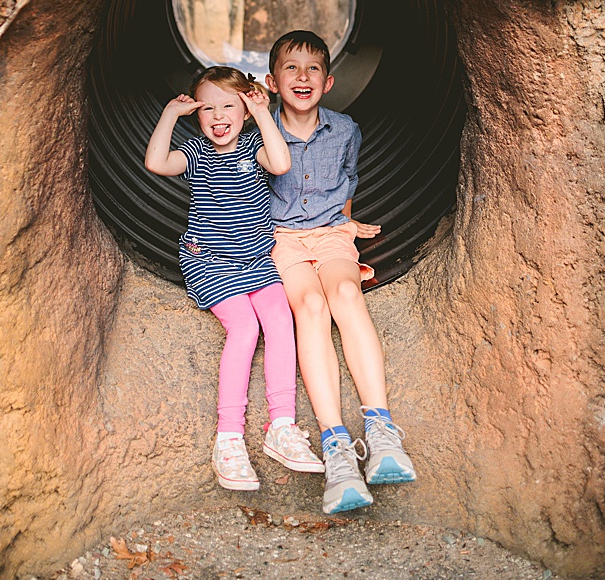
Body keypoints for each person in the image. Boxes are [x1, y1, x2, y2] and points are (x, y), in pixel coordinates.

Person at [145, 66, 324, 492]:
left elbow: (282, 163)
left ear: (244, 110)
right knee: (244, 328)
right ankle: (229, 438)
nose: (219, 116)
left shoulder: (255, 145)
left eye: (230, 106)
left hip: (256, 260)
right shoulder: (194, 152)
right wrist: (171, 113)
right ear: (198, 115)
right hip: (209, 262)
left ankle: (281, 426)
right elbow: (155, 163)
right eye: (208, 109)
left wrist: (263, 114)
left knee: (280, 321)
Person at [264, 29, 418, 515]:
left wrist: (346, 224)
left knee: (347, 296)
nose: (302, 77)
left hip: (332, 233)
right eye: (291, 68)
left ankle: (381, 429)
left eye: (312, 69)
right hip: (282, 239)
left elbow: (347, 182)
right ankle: (336, 448)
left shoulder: (346, 128)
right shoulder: (259, 132)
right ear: (272, 81)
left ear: (329, 81)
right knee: (310, 306)